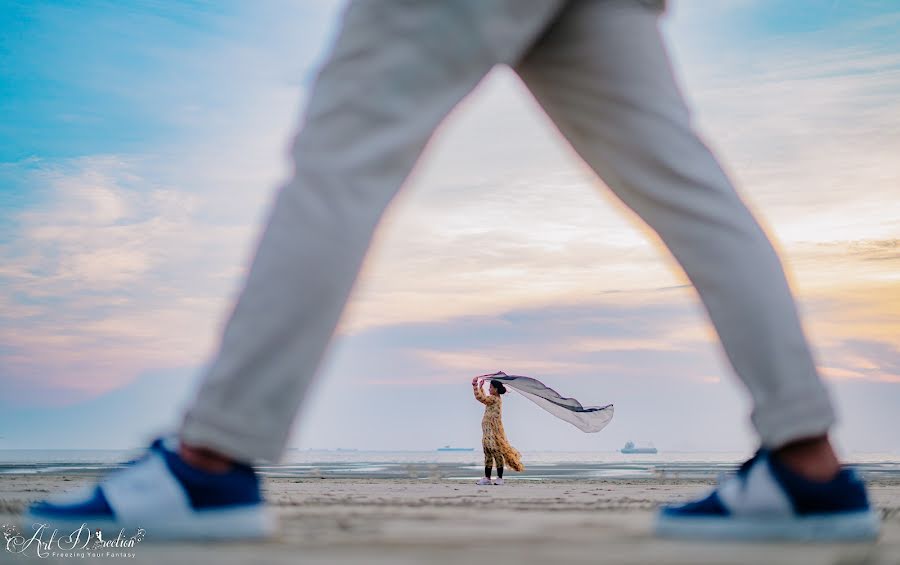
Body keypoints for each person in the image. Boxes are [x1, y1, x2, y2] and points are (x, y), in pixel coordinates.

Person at [27, 0, 879, 541]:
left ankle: (207, 462)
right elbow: (493, 396)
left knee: (339, 161)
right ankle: (807, 464)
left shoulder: (494, 400)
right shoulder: (491, 400)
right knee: (685, 180)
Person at [473, 377, 524, 486]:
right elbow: (485, 399)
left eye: (490, 387)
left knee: (495, 451)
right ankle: (487, 478)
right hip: (486, 431)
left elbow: (482, 399)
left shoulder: (495, 399)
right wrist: (481, 387)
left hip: (492, 430)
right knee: (487, 452)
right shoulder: (492, 399)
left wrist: (475, 386)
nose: (489, 389)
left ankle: (500, 478)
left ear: (496, 389)